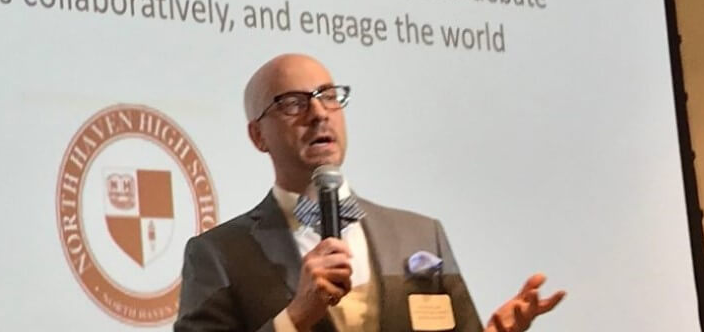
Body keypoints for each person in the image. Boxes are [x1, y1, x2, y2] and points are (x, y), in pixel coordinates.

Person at [175, 53, 565, 332]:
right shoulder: (219, 254)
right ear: (258, 135)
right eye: (293, 103)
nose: (319, 113)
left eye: (329, 96)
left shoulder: (420, 235)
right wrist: (295, 317)